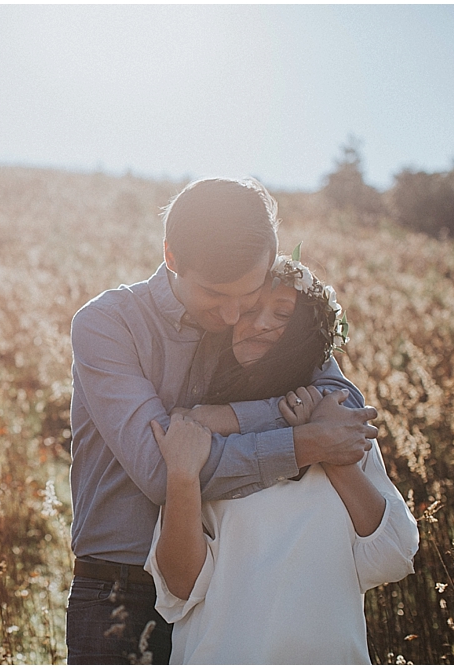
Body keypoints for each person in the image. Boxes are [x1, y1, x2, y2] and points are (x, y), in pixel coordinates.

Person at [67, 178, 379, 664]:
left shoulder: (254, 315)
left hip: (234, 596)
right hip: (121, 592)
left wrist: (229, 417)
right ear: (171, 257)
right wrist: (305, 444)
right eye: (215, 294)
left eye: (249, 292)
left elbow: (339, 400)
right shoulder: (108, 324)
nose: (235, 314)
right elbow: (160, 471)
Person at [145, 253, 419, 663]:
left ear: (306, 329)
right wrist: (182, 476)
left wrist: (326, 448)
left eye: (283, 312)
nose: (259, 323)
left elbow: (393, 555)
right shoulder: (201, 432)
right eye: (251, 309)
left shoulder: (338, 423)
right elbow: (180, 588)